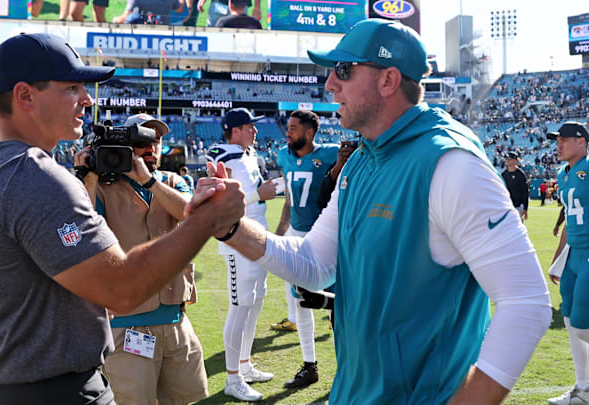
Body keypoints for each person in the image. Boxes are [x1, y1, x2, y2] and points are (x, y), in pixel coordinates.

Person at [192, 18, 551, 404]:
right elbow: (313, 262)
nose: (329, 83)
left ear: (388, 81)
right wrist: (230, 227)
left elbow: (526, 301)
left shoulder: (450, 163)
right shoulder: (363, 159)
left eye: (344, 70)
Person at [0, 33, 243, 405]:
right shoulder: (35, 176)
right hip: (51, 389)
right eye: (72, 88)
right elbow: (120, 289)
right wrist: (205, 220)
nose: (87, 100)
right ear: (25, 96)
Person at [75, 113, 208, 405]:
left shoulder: (173, 181)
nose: (151, 149)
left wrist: (149, 182)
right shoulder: (102, 187)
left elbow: (192, 215)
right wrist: (88, 177)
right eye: (141, 142)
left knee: (183, 399)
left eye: (156, 141)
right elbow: (83, 232)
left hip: (176, 320)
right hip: (125, 325)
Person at [205, 107, 278, 402]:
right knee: (240, 304)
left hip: (257, 236)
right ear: (235, 130)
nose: (256, 131)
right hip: (237, 238)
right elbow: (222, 198)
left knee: (255, 300)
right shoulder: (223, 153)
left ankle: (244, 366)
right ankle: (232, 379)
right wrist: (260, 194)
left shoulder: (246, 154)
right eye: (250, 126)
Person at [272, 109, 338, 389]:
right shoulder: (284, 156)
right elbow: (288, 198)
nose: (288, 132)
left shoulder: (333, 152)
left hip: (325, 236)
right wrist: (280, 231)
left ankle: (345, 370)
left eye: (294, 128)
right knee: (301, 303)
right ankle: (309, 366)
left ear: (310, 133)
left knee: (336, 308)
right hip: (296, 235)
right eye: (288, 127)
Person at [547, 122, 589, 405]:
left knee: (584, 325)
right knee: (572, 323)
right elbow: (570, 220)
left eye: (564, 139)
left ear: (582, 141)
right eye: (556, 139)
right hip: (573, 254)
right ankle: (583, 389)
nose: (558, 144)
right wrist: (557, 256)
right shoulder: (563, 175)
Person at [501, 151, 529, 221]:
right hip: (506, 206)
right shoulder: (503, 174)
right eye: (506, 159)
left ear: (515, 160)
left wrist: (525, 208)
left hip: (518, 206)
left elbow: (525, 192)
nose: (507, 160)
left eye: (509, 159)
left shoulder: (520, 174)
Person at [113, 0, 184, 24]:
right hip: (164, 32)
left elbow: (124, 18)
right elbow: (179, 9)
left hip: (142, 33)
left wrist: (116, 20)